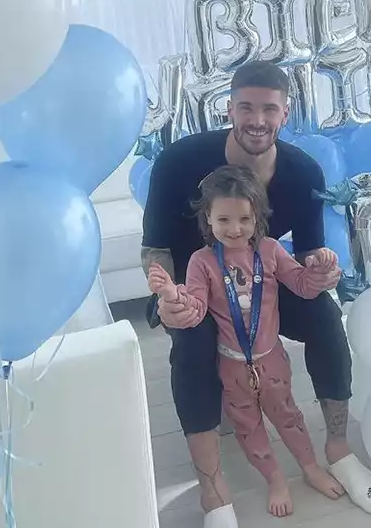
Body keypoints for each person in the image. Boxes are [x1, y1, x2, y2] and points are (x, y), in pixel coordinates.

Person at [141, 61, 371, 528]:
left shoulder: (304, 171)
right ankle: (213, 489)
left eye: (269, 109)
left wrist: (322, 272)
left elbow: (309, 255)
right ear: (229, 109)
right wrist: (166, 298)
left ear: (285, 112)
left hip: (262, 288)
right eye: (247, 108)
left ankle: (338, 449)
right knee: (191, 345)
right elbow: (155, 249)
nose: (257, 120)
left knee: (324, 315)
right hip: (194, 292)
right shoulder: (177, 161)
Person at [149, 165, 347, 518]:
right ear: (208, 219)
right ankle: (274, 478)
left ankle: (311, 467)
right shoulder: (201, 262)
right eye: (224, 220)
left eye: (244, 219)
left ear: (257, 217)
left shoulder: (270, 250)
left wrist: (320, 269)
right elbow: (196, 309)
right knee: (249, 430)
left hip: (272, 360)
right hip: (231, 366)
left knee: (289, 417)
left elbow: (302, 286)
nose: (235, 229)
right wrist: (172, 295)